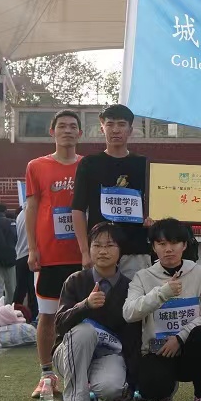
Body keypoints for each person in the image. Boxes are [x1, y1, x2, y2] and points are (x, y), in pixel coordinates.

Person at [124, 218, 201, 401]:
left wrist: (180, 337)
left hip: (189, 349)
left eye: (175, 242)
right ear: (153, 247)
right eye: (162, 243)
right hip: (157, 351)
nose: (168, 249)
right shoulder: (143, 277)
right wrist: (162, 293)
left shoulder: (200, 273)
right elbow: (129, 312)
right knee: (151, 387)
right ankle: (164, 394)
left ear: (184, 245)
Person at [25, 109, 84, 399]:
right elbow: (32, 207)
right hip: (50, 253)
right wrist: (32, 248)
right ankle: (47, 375)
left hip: (83, 255)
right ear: (52, 132)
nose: (67, 130)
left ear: (80, 133)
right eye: (62, 126)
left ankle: (84, 373)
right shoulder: (36, 166)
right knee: (47, 316)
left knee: (85, 315)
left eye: (73, 126)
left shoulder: (88, 166)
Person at [53, 222, 134, 401]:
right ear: (89, 249)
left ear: (121, 250)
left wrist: (131, 381)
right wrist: (85, 305)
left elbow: (133, 335)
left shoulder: (130, 287)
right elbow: (60, 325)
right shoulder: (75, 281)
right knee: (84, 332)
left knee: (111, 387)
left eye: (109, 245)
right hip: (69, 353)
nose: (103, 251)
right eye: (97, 245)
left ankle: (104, 399)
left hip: (107, 354)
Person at [71, 104, 154, 280]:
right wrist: (85, 252)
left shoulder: (144, 164)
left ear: (130, 130)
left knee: (137, 298)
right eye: (110, 124)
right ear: (102, 128)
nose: (115, 130)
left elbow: (154, 205)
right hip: (101, 250)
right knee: (101, 297)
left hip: (136, 251)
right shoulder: (89, 164)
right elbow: (78, 209)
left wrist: (151, 218)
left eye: (121, 124)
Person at [13, 205, 38, 321]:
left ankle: (13, 314)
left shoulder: (20, 215)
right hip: (32, 254)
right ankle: (33, 317)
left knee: (20, 289)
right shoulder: (35, 212)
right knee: (33, 289)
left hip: (20, 255)